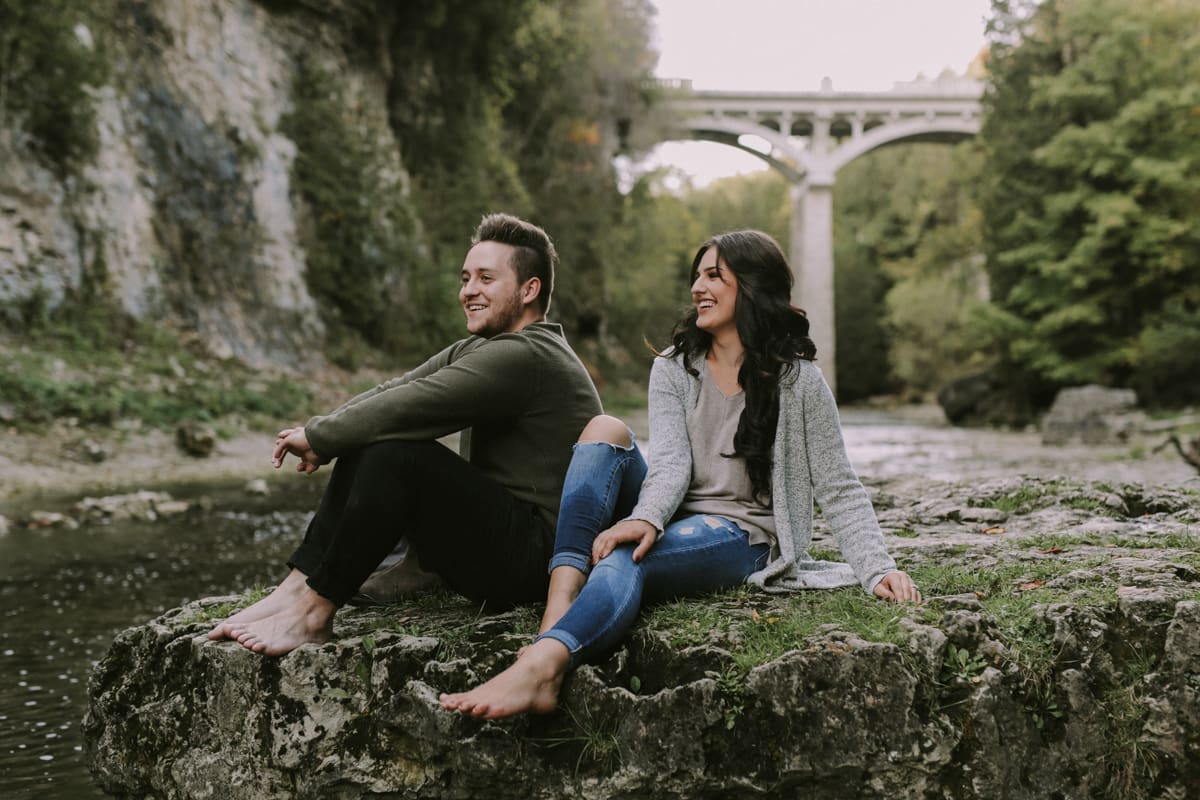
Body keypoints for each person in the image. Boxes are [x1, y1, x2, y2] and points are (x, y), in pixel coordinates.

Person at [439, 229, 920, 720]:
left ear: (752, 287)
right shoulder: (675, 367)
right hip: (674, 513)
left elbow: (838, 486)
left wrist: (877, 567)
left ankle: (544, 668)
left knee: (627, 557)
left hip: (743, 535)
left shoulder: (797, 379)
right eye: (696, 275)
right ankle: (557, 607)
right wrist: (647, 516)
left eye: (714, 276)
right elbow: (670, 461)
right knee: (605, 428)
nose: (697, 287)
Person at [206, 213, 602, 656]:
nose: (468, 291)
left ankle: (315, 614)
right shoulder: (486, 347)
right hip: (503, 539)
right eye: (466, 277)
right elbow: (397, 389)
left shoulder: (528, 356)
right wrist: (325, 431)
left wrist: (319, 438)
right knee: (375, 437)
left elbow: (413, 405)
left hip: (540, 561)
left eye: (486, 279)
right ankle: (293, 591)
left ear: (529, 290)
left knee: (396, 455)